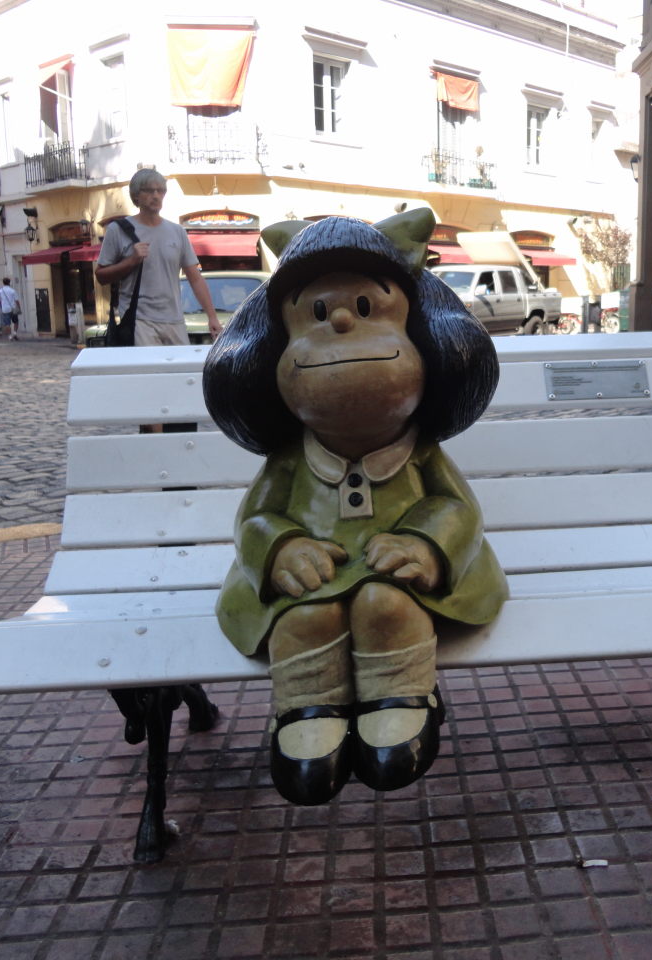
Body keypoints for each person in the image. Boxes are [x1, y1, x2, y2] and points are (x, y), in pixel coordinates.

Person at [202, 210, 506, 806]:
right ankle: (305, 707)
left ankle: (403, 695)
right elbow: (255, 517)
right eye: (316, 314)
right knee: (303, 618)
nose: (340, 319)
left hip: (399, 574)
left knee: (386, 604)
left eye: (367, 309)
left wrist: (427, 543)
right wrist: (281, 546)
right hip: (309, 575)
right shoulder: (292, 458)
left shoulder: (419, 452)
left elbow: (456, 506)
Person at [96, 168, 221, 433]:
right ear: (136, 196)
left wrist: (212, 316)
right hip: (140, 319)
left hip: (174, 320)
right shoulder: (119, 231)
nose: (156, 196)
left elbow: (195, 277)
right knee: (150, 383)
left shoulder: (176, 232)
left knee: (181, 381)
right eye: (149, 191)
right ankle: (154, 440)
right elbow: (101, 275)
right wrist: (131, 260)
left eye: (160, 190)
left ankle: (180, 441)